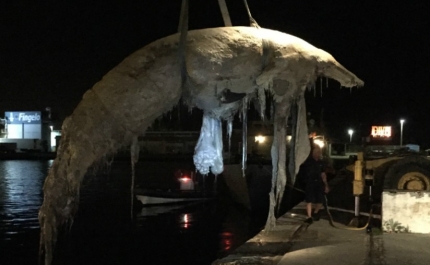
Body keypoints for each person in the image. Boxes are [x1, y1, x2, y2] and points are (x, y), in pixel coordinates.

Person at [297, 144, 329, 224]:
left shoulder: (321, 163)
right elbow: (302, 173)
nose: (318, 154)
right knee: (309, 200)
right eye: (316, 152)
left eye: (319, 152)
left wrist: (326, 185)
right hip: (309, 183)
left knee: (321, 200)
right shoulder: (308, 162)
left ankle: (315, 212)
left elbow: (323, 174)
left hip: (319, 182)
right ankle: (309, 216)